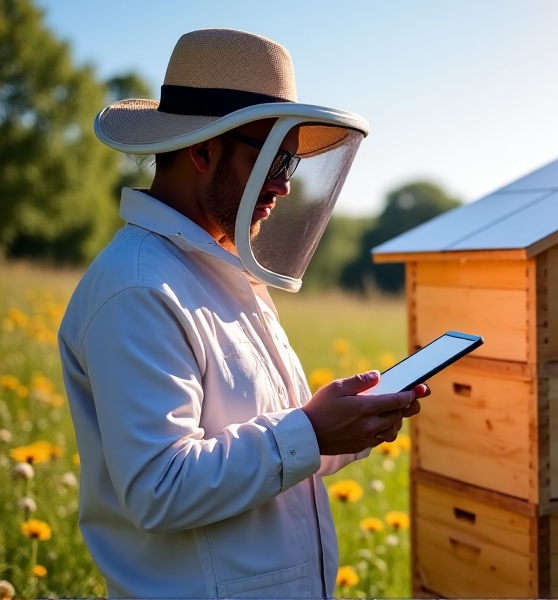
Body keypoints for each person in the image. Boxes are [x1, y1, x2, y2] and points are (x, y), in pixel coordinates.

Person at [58, 28, 426, 599]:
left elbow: (269, 453)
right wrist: (309, 430)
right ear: (203, 150)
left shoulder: (227, 274)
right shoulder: (138, 288)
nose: (283, 185)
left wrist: (346, 427)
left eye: (291, 162)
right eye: (273, 158)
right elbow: (160, 485)